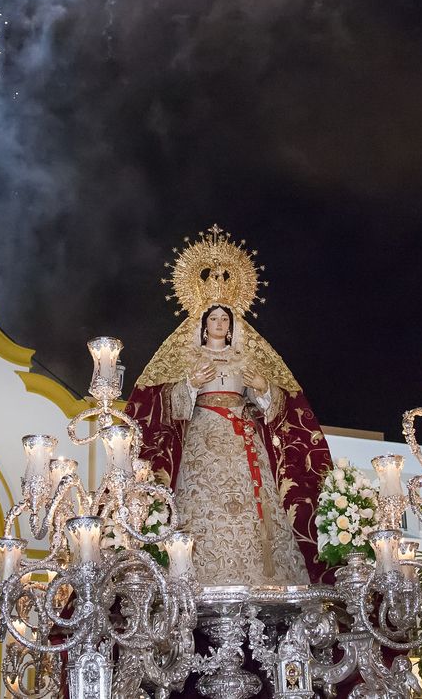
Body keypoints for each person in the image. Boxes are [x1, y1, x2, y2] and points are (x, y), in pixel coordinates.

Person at [127, 227, 331, 585]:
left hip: (244, 438)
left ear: (232, 323)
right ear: (203, 325)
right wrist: (191, 383)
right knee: (203, 509)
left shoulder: (246, 357)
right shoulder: (188, 357)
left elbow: (276, 410)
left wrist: (262, 386)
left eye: (225, 318)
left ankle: (265, 579)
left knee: (258, 514)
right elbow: (171, 410)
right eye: (213, 319)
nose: (220, 323)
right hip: (204, 440)